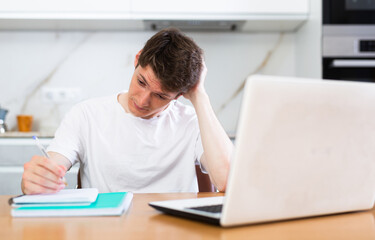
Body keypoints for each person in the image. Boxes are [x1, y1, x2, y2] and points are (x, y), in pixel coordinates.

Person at [21, 28, 233, 194]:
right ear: (137, 58)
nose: (142, 100)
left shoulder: (192, 123)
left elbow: (227, 181)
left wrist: (199, 94)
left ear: (179, 95)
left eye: (161, 96)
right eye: (141, 81)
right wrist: (37, 179)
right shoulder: (86, 115)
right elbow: (52, 166)